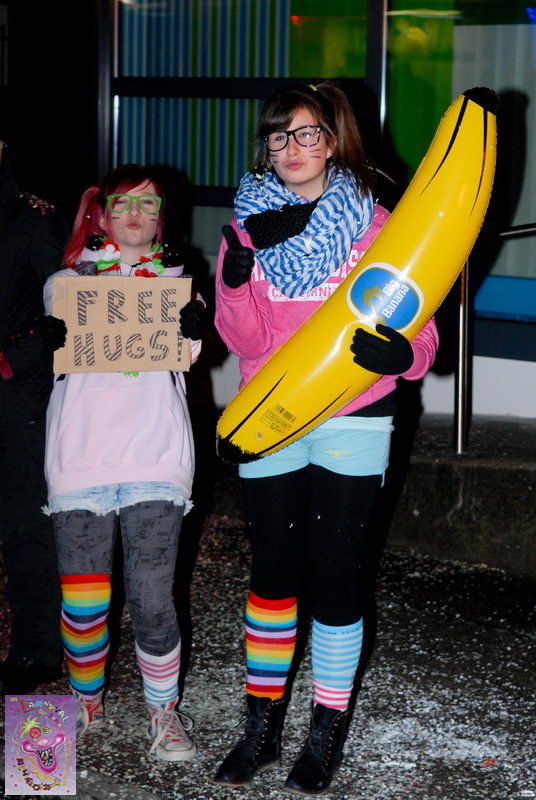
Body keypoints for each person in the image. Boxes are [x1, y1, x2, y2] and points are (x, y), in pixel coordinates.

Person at [213, 81, 439, 795]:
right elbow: (245, 341)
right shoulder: (246, 227)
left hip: (355, 418)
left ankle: (325, 731)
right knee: (273, 578)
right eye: (279, 135)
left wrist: (402, 355)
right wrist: (235, 282)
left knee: (337, 577)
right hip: (272, 417)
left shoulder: (377, 225)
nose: (292, 148)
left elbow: (421, 331)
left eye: (307, 133)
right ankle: (260, 729)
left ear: (334, 140)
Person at [43, 164, 205, 761]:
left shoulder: (181, 286)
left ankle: (164, 710)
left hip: (155, 457)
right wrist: (47, 336)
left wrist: (194, 324)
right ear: (102, 216)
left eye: (148, 205)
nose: (135, 215)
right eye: (123, 204)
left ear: (162, 219)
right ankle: (85, 698)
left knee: (153, 599)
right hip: (81, 459)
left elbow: (188, 354)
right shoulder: (66, 283)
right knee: (84, 607)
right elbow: (58, 346)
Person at [0, 140, 68, 695]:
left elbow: (59, 312)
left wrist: (13, 358)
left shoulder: (33, 217)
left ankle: (35, 651)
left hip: (16, 398)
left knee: (26, 530)